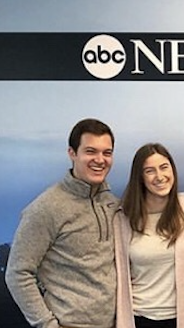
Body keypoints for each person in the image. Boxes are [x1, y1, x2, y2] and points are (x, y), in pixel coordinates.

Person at [5, 118, 119, 328]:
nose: (100, 160)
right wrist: (47, 324)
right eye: (91, 151)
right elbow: (17, 273)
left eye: (107, 153)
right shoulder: (46, 208)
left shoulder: (112, 203)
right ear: (72, 153)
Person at [114, 143, 184, 328]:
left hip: (181, 319)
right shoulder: (123, 219)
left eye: (164, 167)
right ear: (140, 178)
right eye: (150, 171)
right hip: (140, 318)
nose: (160, 177)